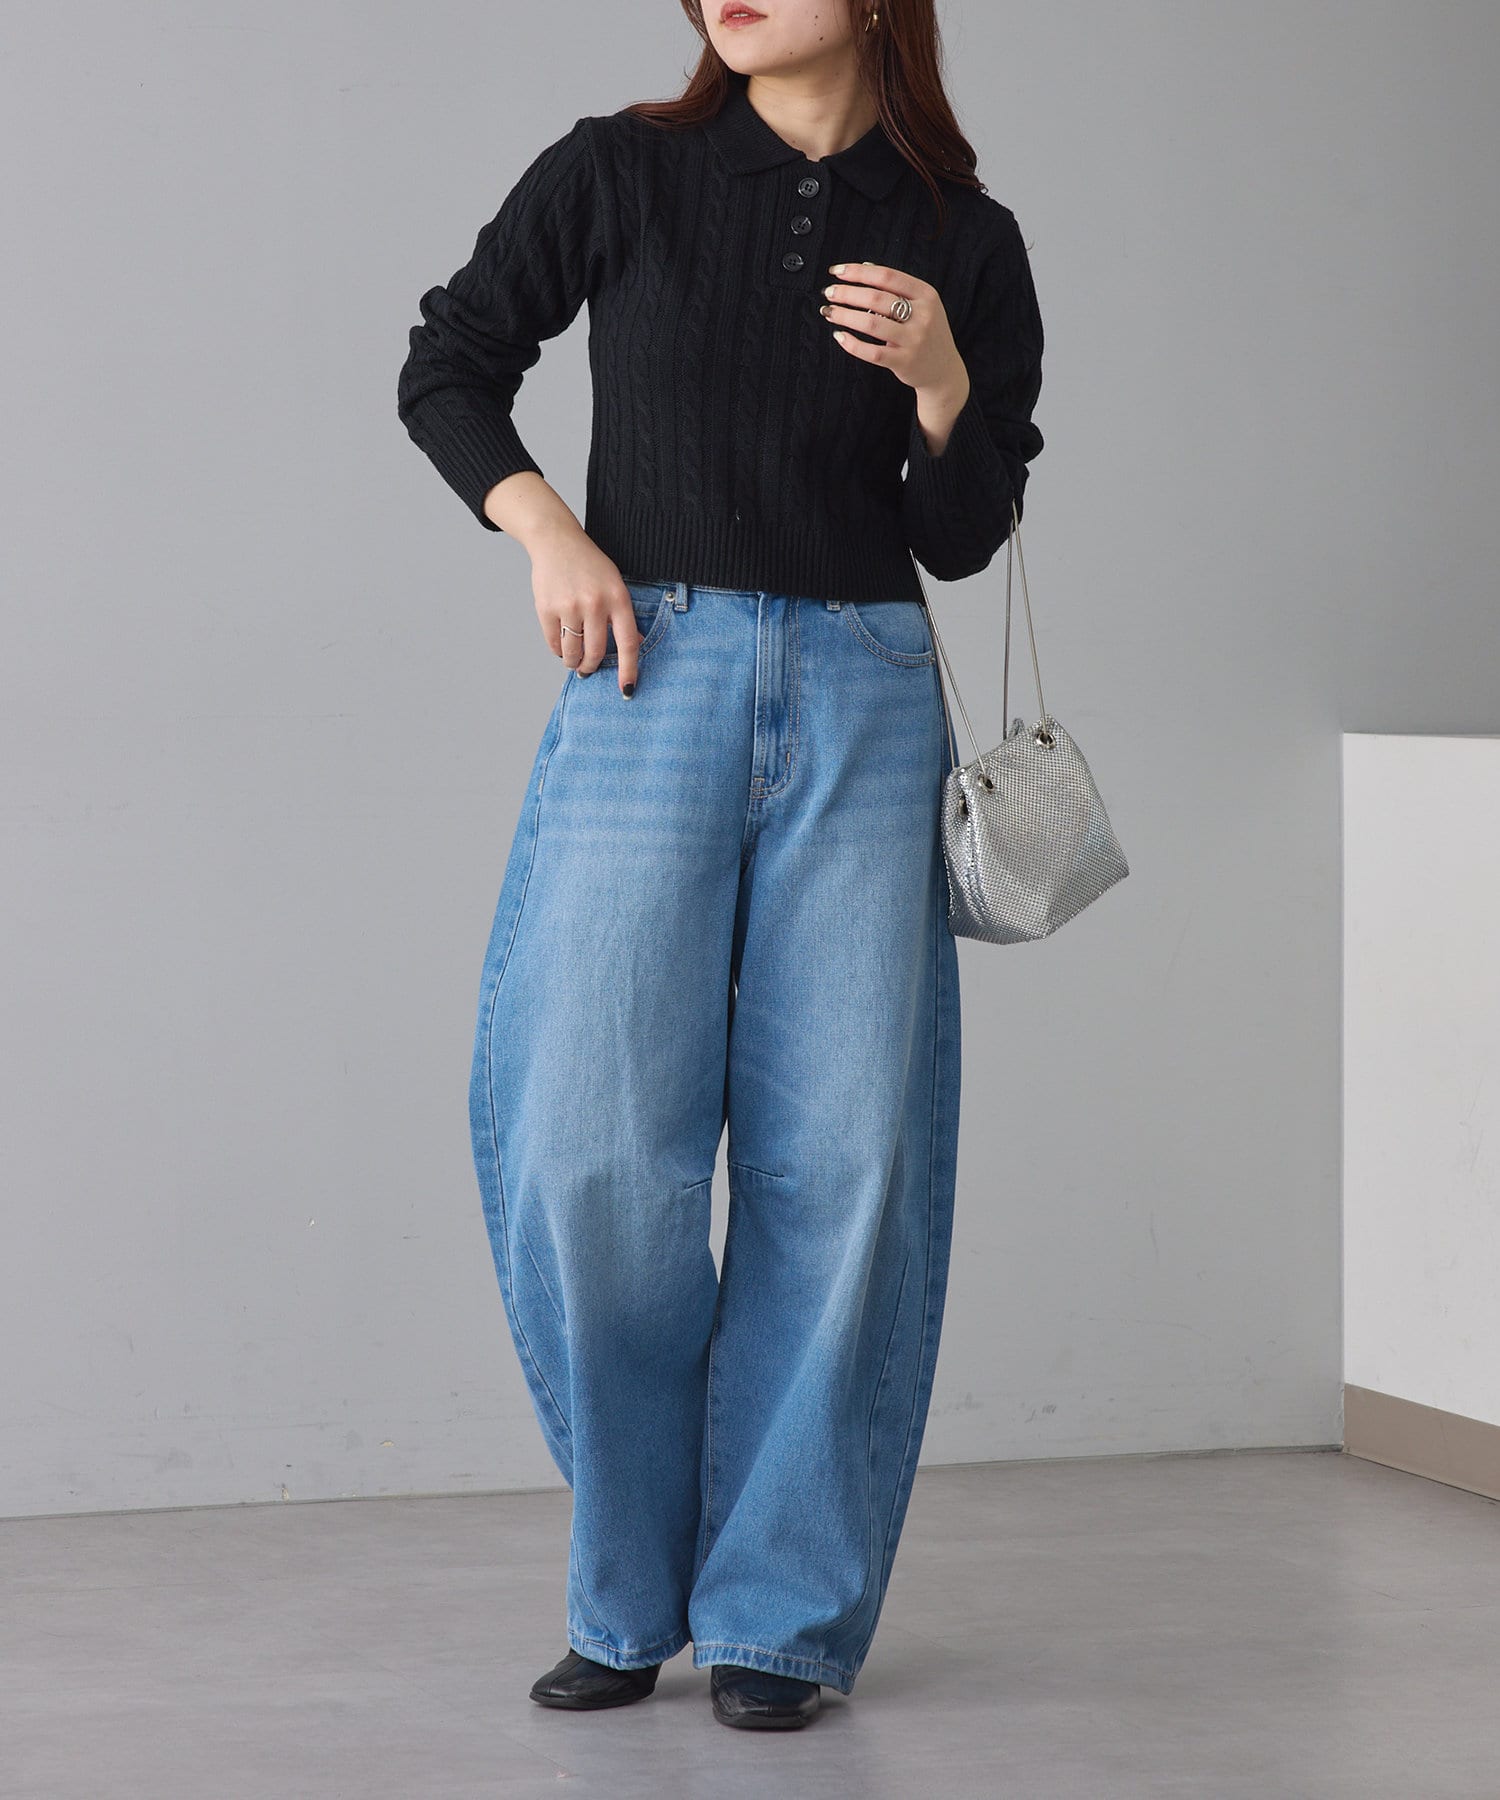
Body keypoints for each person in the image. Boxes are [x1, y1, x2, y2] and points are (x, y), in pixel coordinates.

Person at [396, 0, 1044, 1732]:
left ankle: (777, 1617)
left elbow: (962, 536)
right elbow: (449, 362)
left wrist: (943, 382)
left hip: (867, 694)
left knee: (846, 1162)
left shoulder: (964, 239)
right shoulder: (623, 173)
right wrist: (551, 532)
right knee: (587, 1145)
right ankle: (629, 1585)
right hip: (648, 673)